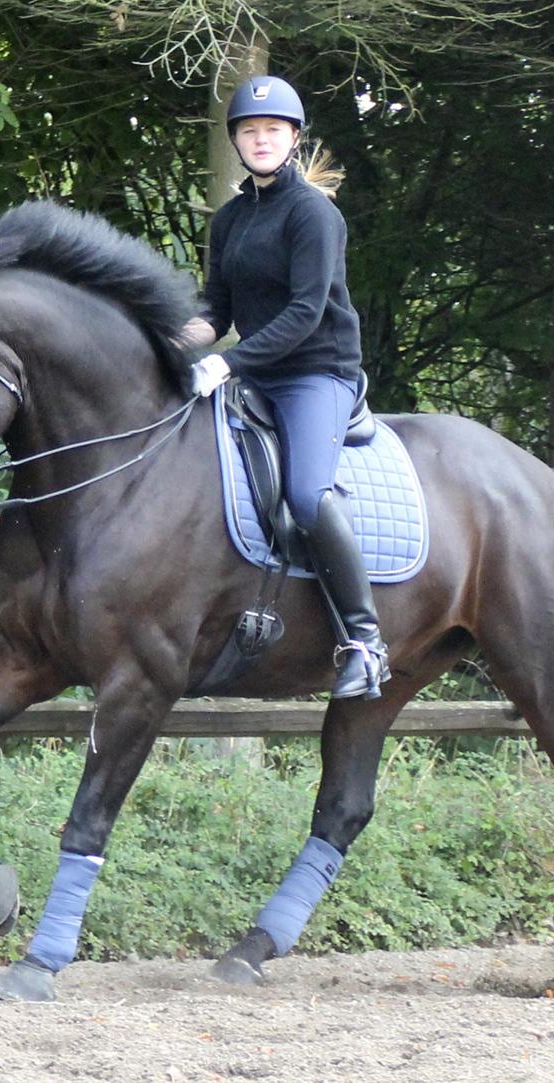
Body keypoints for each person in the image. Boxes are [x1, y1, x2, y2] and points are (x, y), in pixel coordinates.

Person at [181, 74, 389, 701]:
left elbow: (304, 313)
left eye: (273, 130)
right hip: (254, 371)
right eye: (250, 130)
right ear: (238, 142)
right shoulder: (232, 219)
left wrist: (228, 364)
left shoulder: (315, 214)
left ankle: (364, 639)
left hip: (314, 372)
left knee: (305, 492)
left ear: (293, 139)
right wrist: (172, 343)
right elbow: (216, 308)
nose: (261, 139)